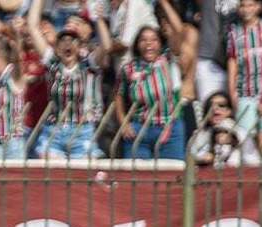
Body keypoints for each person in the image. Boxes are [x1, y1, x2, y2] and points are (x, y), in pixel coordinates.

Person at [27, 0, 111, 159]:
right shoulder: (53, 63)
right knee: (52, 175)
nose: (67, 44)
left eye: (72, 40)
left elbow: (106, 47)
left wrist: (98, 19)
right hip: (55, 130)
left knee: (82, 177)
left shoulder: (88, 65)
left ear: (79, 47)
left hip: (83, 130)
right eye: (63, 41)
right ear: (57, 48)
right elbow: (32, 27)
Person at [115, 3, 194, 160]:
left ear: (160, 43)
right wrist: (123, 122)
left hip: (169, 128)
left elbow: (179, 31)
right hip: (139, 129)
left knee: (171, 177)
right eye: (143, 40)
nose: (149, 43)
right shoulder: (128, 68)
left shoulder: (168, 60)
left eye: (154, 40)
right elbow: (118, 96)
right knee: (137, 179)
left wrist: (164, 2)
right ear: (137, 45)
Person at [226, 0, 262, 141]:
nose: (246, 10)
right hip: (245, 93)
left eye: (250, 5)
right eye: (243, 6)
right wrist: (232, 94)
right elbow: (233, 63)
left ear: (258, 7)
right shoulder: (234, 32)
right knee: (246, 138)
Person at [190, 91, 251, 167]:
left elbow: (251, 161)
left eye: (221, 105)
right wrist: (202, 159)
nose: (215, 108)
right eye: (210, 106)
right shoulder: (199, 134)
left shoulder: (241, 133)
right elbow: (190, 157)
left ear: (229, 111)